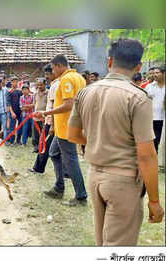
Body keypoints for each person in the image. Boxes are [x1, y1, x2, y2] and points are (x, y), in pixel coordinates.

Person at [68, 38, 164, 245]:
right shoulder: (139, 98)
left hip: (95, 176)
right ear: (138, 66)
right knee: (118, 249)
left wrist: (95, 141)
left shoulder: (86, 91)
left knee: (102, 242)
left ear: (109, 62)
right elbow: (146, 155)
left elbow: (73, 135)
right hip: (124, 181)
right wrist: (154, 201)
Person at [34, 54, 88, 207]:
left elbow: (68, 105)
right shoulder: (80, 78)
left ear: (58, 65)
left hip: (67, 127)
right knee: (53, 153)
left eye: (52, 68)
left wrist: (46, 113)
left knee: (71, 160)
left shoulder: (66, 80)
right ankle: (59, 187)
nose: (52, 71)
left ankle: (81, 196)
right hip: (64, 127)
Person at [29, 64, 59, 174]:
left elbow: (55, 106)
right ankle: (39, 168)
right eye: (45, 74)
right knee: (58, 149)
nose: (46, 76)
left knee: (44, 145)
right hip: (49, 120)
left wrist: (52, 125)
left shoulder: (55, 86)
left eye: (48, 74)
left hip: (51, 122)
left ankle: (38, 168)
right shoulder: (53, 85)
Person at [145, 66, 165, 153]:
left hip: (164, 118)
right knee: (155, 139)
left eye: (157, 73)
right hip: (153, 118)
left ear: (164, 74)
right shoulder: (149, 87)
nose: (155, 75)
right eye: (154, 73)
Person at [32, 78, 48, 152]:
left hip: (44, 117)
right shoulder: (35, 94)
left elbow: (49, 105)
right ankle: (36, 148)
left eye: (41, 85)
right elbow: (34, 104)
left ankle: (43, 147)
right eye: (38, 85)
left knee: (44, 134)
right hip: (36, 117)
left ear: (45, 84)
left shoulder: (48, 93)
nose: (39, 87)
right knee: (35, 134)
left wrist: (45, 115)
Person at [6, 76, 23, 146]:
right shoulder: (9, 92)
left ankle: (18, 140)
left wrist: (22, 111)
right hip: (12, 111)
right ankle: (11, 141)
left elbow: (22, 101)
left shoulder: (20, 91)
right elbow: (8, 103)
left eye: (16, 81)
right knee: (12, 127)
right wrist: (12, 112)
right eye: (13, 82)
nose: (15, 83)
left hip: (19, 111)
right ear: (11, 83)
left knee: (20, 126)